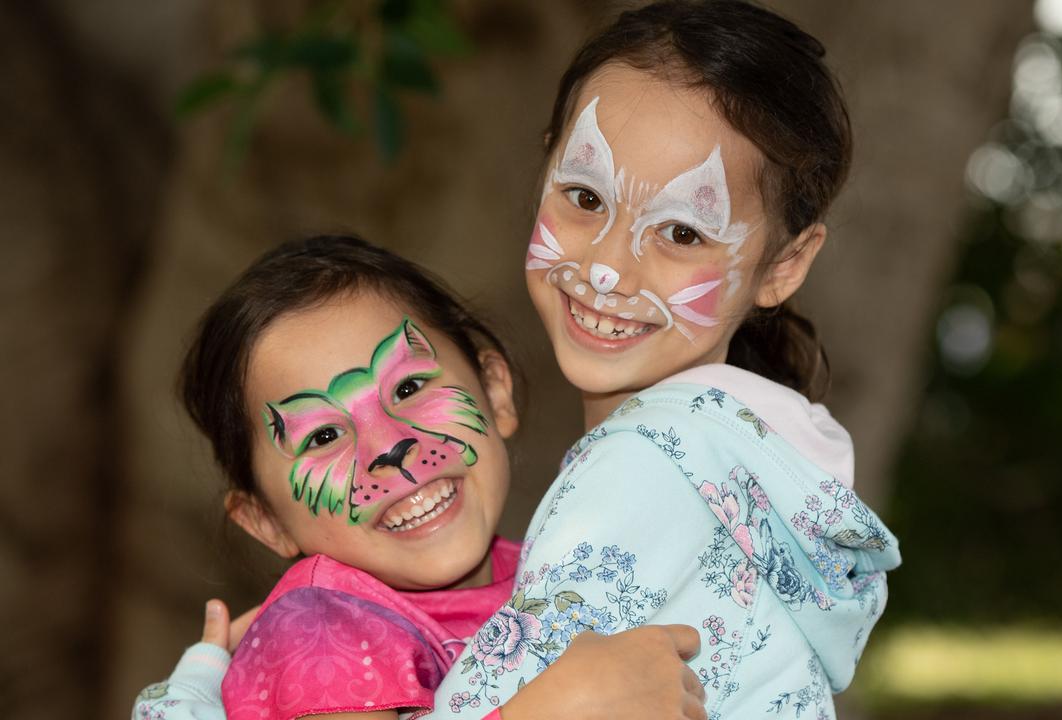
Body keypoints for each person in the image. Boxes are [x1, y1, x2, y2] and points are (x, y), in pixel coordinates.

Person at [136, 1, 901, 718]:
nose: (608, 267)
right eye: (587, 198)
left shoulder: (620, 495)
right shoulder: (749, 458)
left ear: (784, 264)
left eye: (682, 234)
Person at [132, 236, 707, 720]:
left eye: (407, 389)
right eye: (324, 437)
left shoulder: (552, 566)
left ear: (495, 389)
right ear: (265, 521)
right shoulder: (319, 622)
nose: (392, 448)